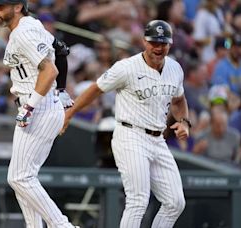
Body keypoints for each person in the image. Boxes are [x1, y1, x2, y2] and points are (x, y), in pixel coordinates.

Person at [62, 20, 189, 228]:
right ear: (144, 42)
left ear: (170, 43)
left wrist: (184, 121)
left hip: (158, 139)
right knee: (138, 200)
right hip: (130, 135)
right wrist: (70, 113)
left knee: (175, 202)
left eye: (163, 43)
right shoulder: (126, 67)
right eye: (153, 42)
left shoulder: (175, 68)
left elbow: (178, 100)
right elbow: (96, 88)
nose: (158, 47)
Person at [0, 0, 78, 227]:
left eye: (1, 6)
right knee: (24, 177)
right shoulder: (31, 25)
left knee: (18, 177)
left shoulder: (24, 32)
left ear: (17, 6)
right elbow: (61, 49)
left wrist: (30, 107)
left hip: (38, 107)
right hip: (41, 104)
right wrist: (63, 89)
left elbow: (50, 70)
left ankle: (62, 225)